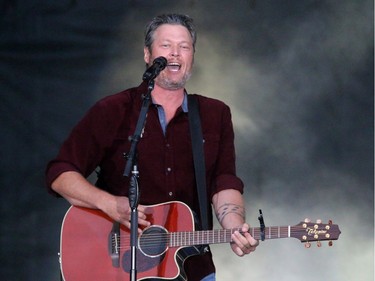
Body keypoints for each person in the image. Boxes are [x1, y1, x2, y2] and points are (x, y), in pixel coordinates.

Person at [46, 13, 258, 281]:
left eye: (184, 47)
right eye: (166, 46)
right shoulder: (114, 110)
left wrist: (235, 228)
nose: (175, 54)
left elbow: (224, 183)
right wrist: (109, 203)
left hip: (193, 266)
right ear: (148, 55)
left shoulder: (214, 114)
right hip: (118, 269)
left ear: (192, 56)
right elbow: (60, 174)